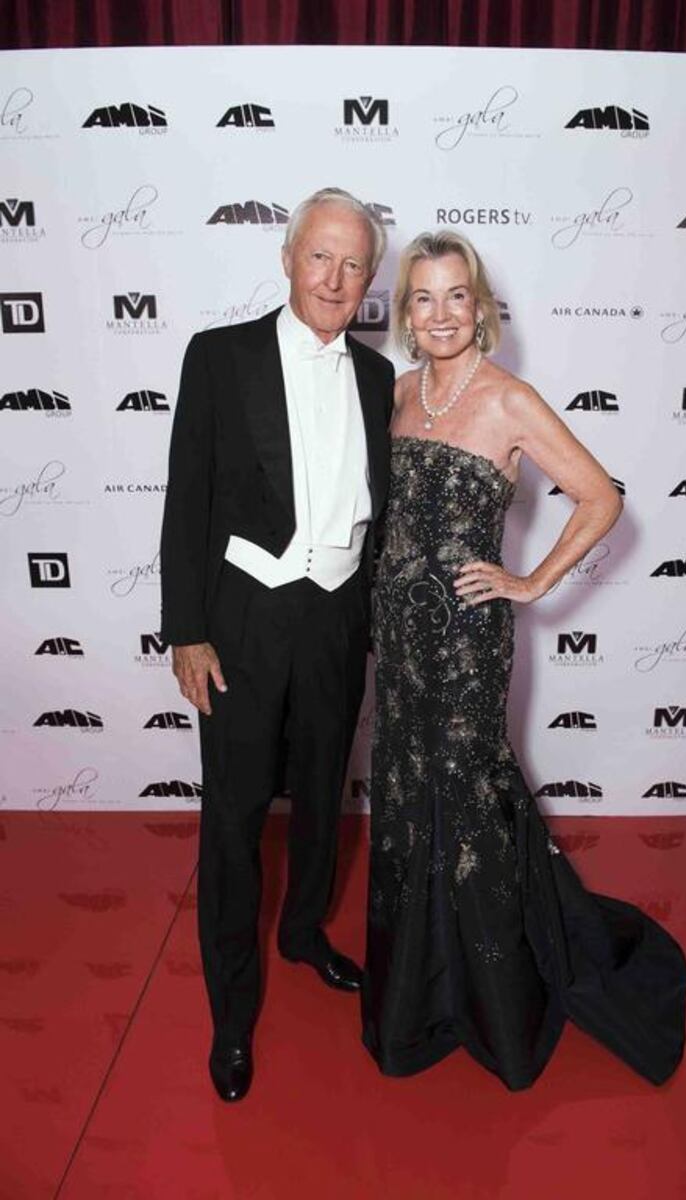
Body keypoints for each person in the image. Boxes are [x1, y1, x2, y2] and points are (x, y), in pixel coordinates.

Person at [361, 231, 686, 1091]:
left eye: (455, 297)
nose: (439, 315)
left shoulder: (510, 401)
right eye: (422, 299)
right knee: (404, 793)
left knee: (469, 804)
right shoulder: (398, 394)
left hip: (467, 644)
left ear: (480, 307)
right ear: (407, 313)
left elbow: (603, 496)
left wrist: (532, 580)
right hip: (397, 642)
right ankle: (415, 992)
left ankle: (495, 1003)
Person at [160, 188, 394, 1102]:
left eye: (352, 265)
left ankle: (301, 933)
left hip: (336, 620)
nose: (334, 279)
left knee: (326, 802)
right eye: (319, 258)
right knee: (234, 823)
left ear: (369, 280)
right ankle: (231, 1011)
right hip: (245, 622)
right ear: (289, 258)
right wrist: (186, 630)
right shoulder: (219, 357)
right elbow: (187, 499)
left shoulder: (378, 378)